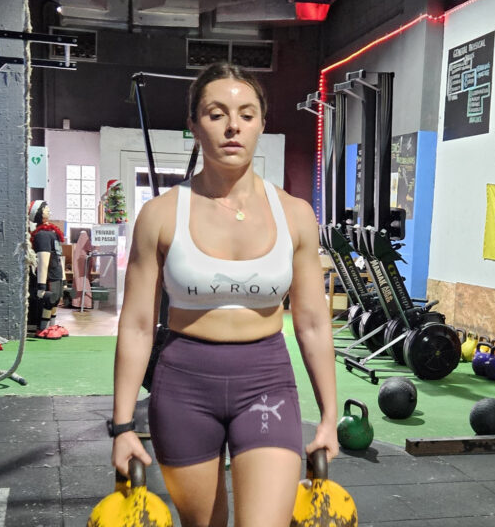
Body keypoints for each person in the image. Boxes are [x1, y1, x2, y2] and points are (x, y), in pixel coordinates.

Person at [110, 61, 338, 527]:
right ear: (194, 126)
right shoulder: (160, 215)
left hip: (266, 381)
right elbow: (137, 326)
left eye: (246, 114)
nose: (233, 126)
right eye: (216, 114)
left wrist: (329, 416)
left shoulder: (296, 214)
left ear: (261, 123)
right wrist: (122, 426)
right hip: (184, 388)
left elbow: (314, 323)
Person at [28, 200, 69, 339]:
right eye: (45, 208)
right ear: (39, 213)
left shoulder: (52, 233)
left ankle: (52, 325)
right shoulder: (42, 235)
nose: (48, 210)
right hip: (49, 276)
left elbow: (59, 257)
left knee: (55, 300)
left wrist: (63, 278)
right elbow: (43, 260)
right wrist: (41, 285)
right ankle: (43, 328)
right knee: (48, 301)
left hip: (56, 273)